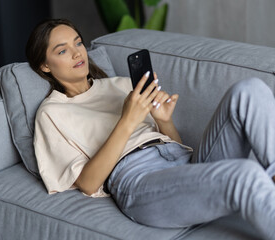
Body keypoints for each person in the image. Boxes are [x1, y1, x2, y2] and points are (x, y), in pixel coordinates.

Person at [26, 18, 275, 239]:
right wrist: (127, 120)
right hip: (140, 181)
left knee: (250, 90)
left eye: (78, 43)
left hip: (184, 163)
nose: (76, 53)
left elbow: (174, 147)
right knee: (246, 174)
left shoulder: (121, 84)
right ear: (45, 66)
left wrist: (163, 120)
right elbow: (88, 184)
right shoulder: (52, 112)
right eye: (62, 50)